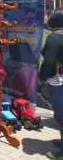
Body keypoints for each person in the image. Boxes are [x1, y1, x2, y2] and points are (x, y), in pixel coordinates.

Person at [39, 9, 63, 160]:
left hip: (57, 80)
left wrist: (43, 77)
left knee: (61, 115)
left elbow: (48, 61)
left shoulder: (54, 38)